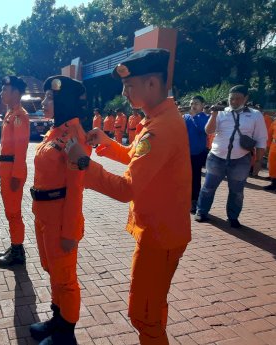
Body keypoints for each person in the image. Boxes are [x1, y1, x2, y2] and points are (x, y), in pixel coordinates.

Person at [66, 48, 191, 345]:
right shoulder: (155, 121)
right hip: (159, 232)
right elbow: (137, 161)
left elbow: (126, 189)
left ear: (151, 84)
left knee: (145, 316)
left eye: (129, 85)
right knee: (150, 310)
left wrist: (84, 164)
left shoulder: (160, 129)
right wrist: (108, 143)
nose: (124, 93)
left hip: (161, 237)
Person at [28, 76, 91, 345]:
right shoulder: (55, 132)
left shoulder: (75, 137)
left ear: (63, 100)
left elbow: (76, 189)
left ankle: (66, 333)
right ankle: (57, 319)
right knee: (53, 271)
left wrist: (70, 231)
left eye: (49, 98)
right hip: (44, 216)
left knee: (65, 279)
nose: (43, 102)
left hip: (61, 221)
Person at [195, 85, 268, 228]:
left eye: (238, 99)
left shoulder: (255, 115)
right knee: (208, 188)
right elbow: (208, 131)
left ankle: (233, 217)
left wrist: (258, 161)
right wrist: (214, 114)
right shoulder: (221, 113)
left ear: (246, 98)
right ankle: (201, 211)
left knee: (237, 191)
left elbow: (261, 139)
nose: (234, 101)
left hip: (241, 159)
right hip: (217, 157)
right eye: (231, 99)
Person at [0, 76, 31, 268]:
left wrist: (17, 175)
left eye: (5, 90)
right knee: (10, 212)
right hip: (6, 168)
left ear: (16, 93)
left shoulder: (20, 116)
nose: (1, 93)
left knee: (14, 212)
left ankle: (18, 251)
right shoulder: (10, 114)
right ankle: (15, 245)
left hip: (12, 170)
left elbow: (21, 148)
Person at [183, 95, 210, 214]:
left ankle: (194, 201)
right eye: (192, 103)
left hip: (197, 153)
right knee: (184, 177)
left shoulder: (205, 117)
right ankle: (184, 199)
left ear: (203, 105)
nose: (193, 106)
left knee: (195, 178)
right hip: (184, 153)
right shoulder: (186, 117)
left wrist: (194, 117)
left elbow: (202, 130)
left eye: (196, 103)